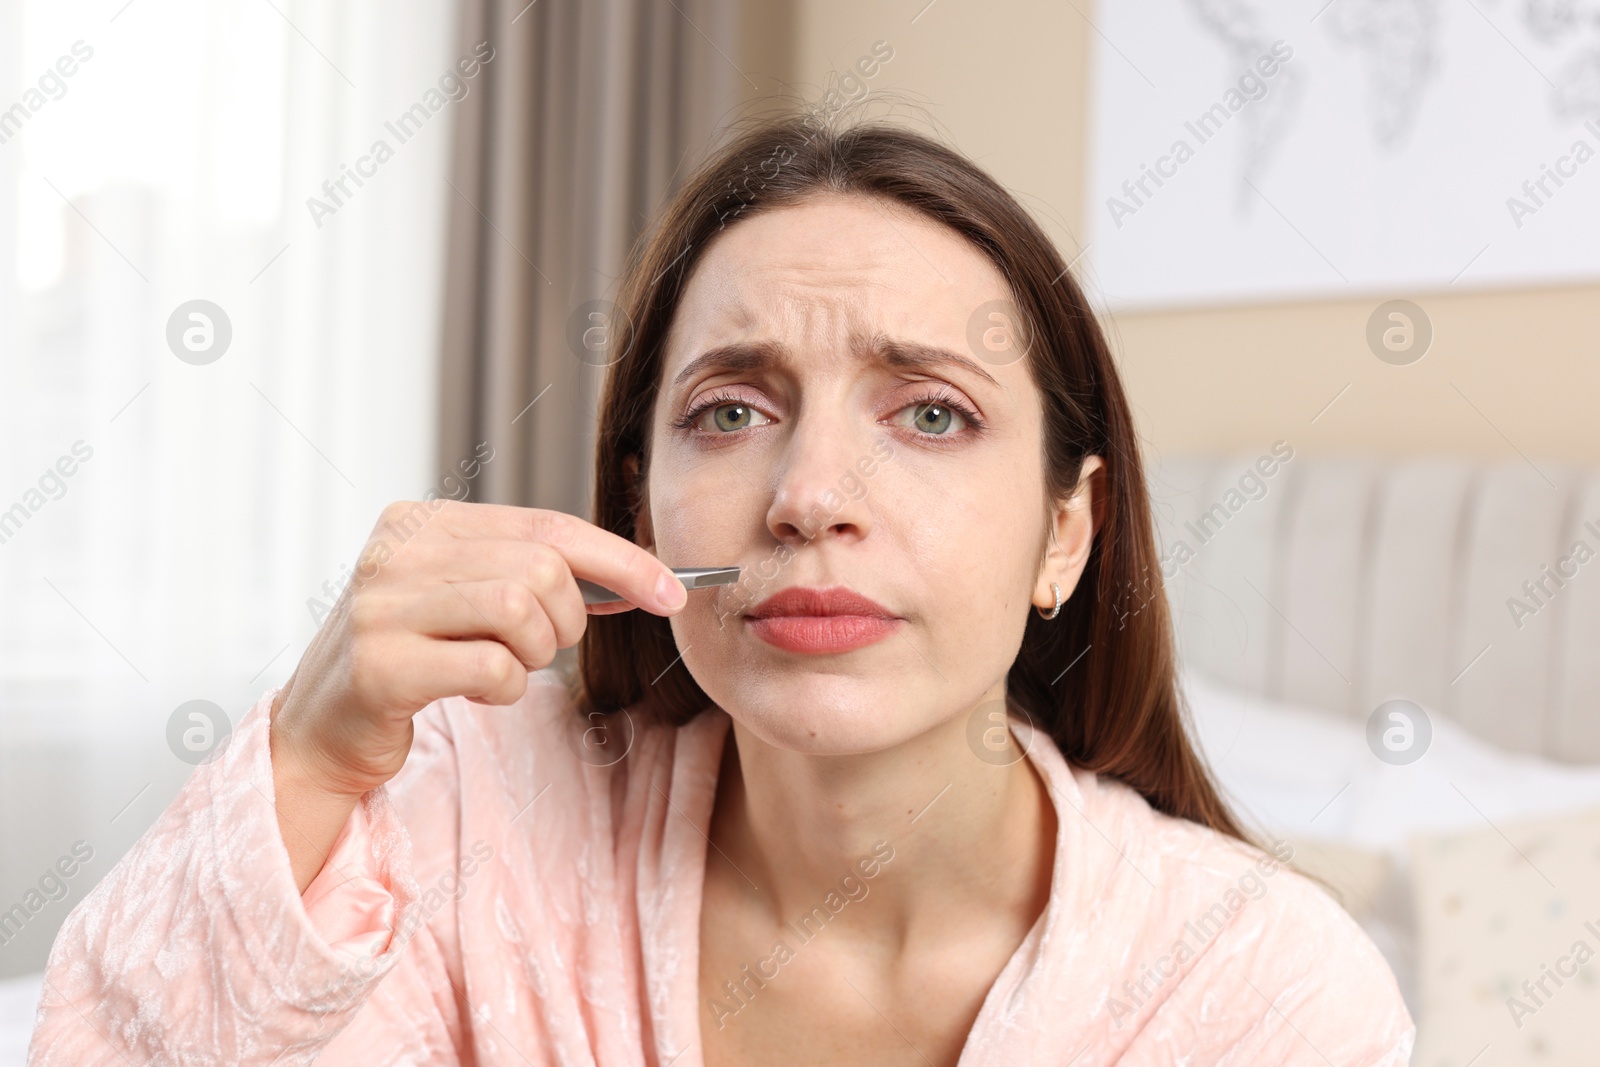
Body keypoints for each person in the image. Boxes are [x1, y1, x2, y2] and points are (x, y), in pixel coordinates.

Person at [28, 112, 1414, 1066]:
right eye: (731, 412)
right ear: (641, 503)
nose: (811, 493)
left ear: (1071, 531)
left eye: (929, 414)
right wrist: (307, 758)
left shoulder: (1260, 989)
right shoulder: (465, 815)